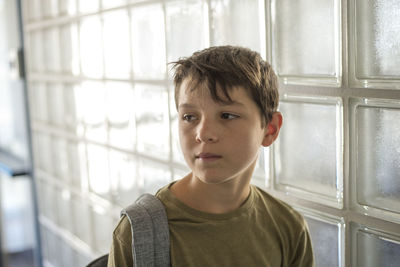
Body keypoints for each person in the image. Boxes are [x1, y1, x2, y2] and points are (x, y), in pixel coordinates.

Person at [107, 46, 314, 267]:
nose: (203, 134)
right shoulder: (138, 234)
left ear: (270, 129)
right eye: (189, 117)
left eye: (227, 115)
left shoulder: (288, 228)